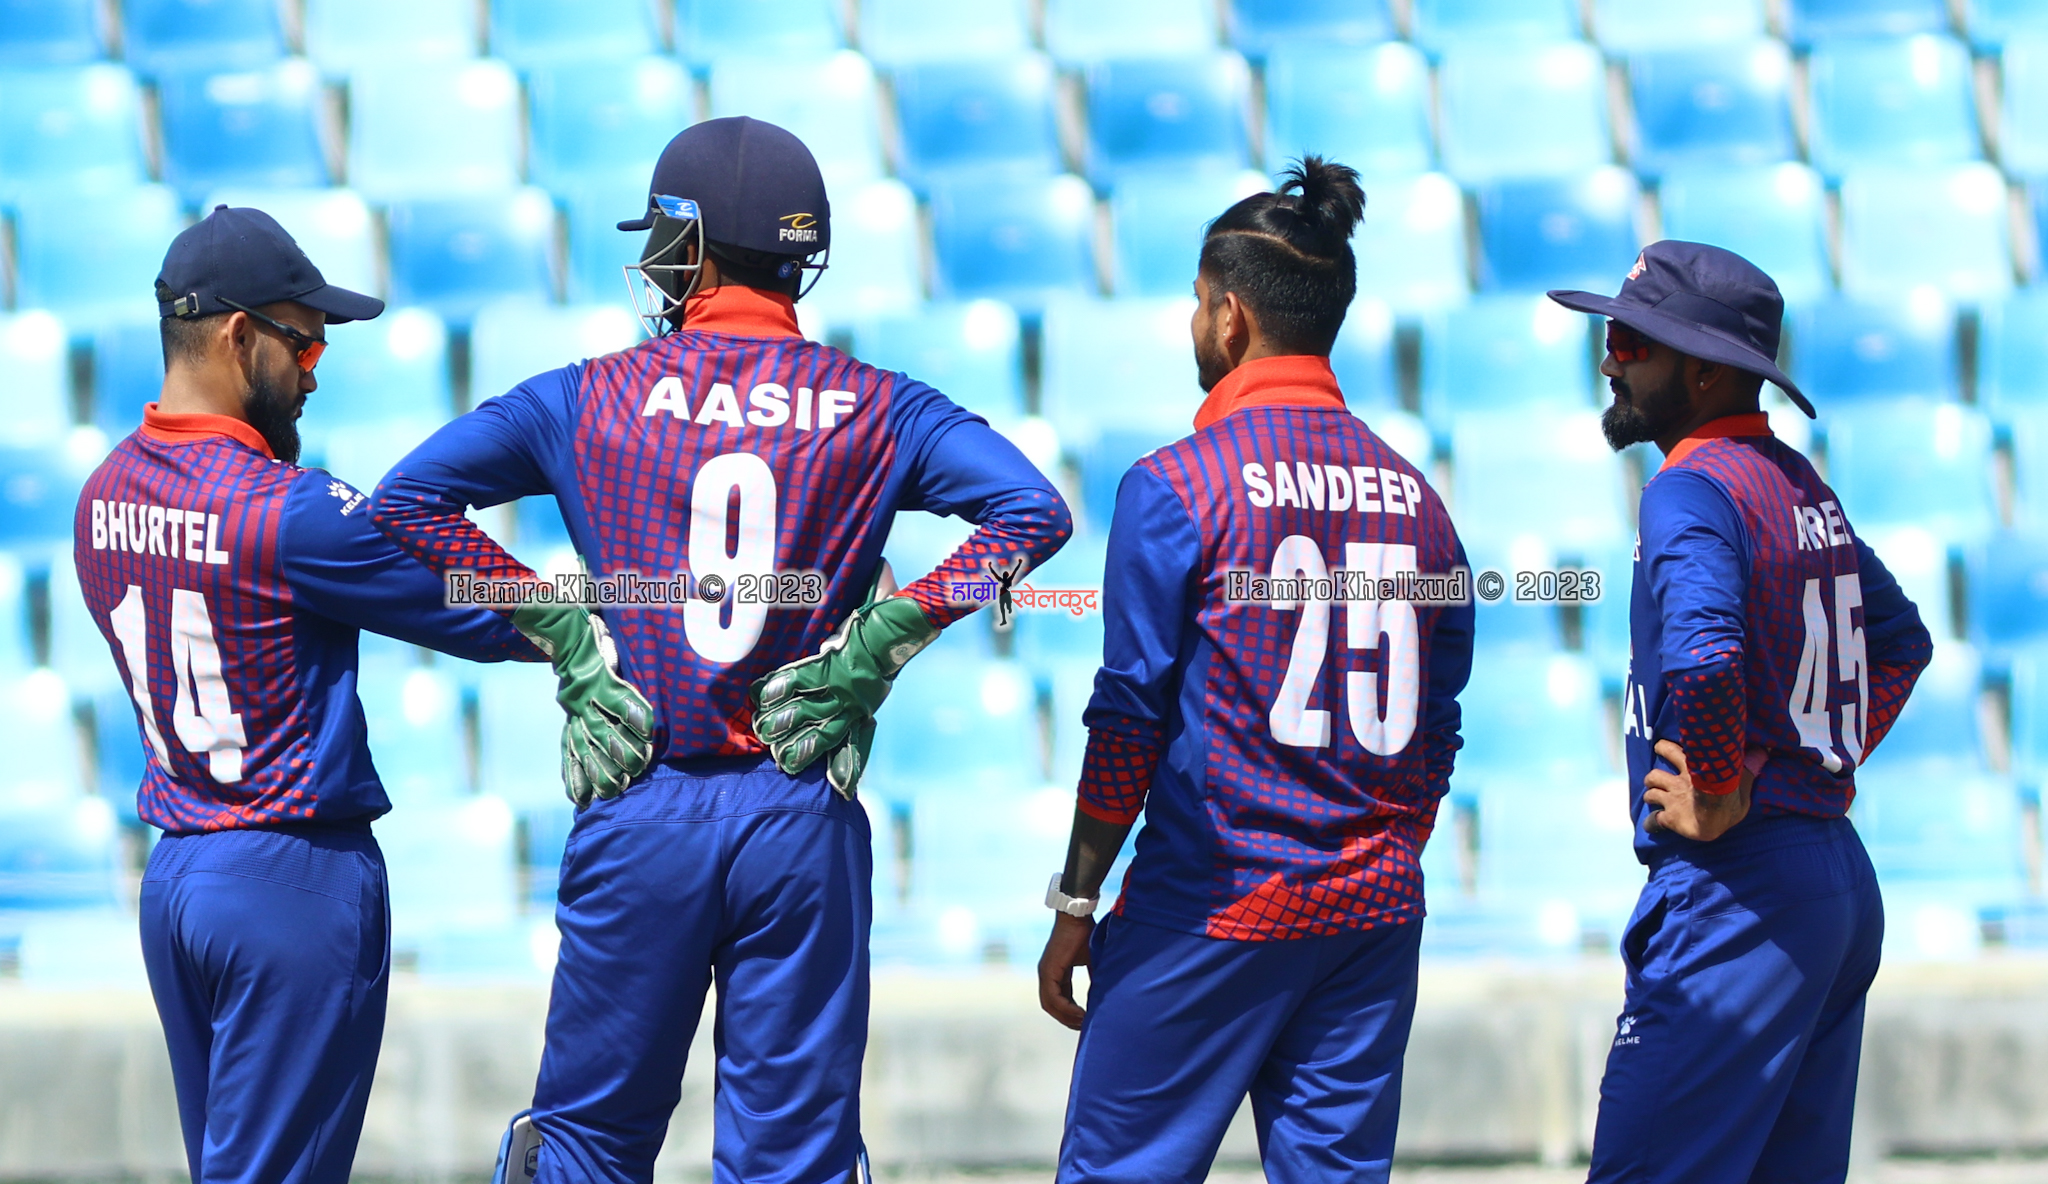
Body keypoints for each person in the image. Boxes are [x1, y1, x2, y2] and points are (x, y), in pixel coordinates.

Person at [368, 116, 1072, 1184]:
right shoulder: (881, 406)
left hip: (640, 803)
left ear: (689, 246)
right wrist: (889, 636)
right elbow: (1033, 513)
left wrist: (559, 627)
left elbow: (406, 501)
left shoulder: (584, 394)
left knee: (586, 1145)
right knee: (793, 1160)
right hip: (799, 809)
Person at [69, 205, 629, 1184]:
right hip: (288, 882)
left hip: (178, 880)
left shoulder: (101, 497)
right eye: (304, 340)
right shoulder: (287, 512)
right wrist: (685, 593)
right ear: (237, 335)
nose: (316, 369)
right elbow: (507, 614)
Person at [1035, 157, 1476, 1184]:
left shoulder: (1175, 486)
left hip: (1213, 902)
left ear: (1230, 315)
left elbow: (1127, 719)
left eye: (1200, 303)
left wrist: (1075, 901)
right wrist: (1379, 849)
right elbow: (1439, 716)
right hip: (1369, 911)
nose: (1196, 323)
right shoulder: (1420, 501)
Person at [1547, 240, 1934, 1184]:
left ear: (1706, 370)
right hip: (1832, 882)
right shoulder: (1798, 483)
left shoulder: (1689, 489)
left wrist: (1726, 784)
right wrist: (1806, 765)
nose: (1610, 361)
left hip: (1740, 890)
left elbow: (1707, 656)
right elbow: (1903, 641)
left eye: (1632, 343)